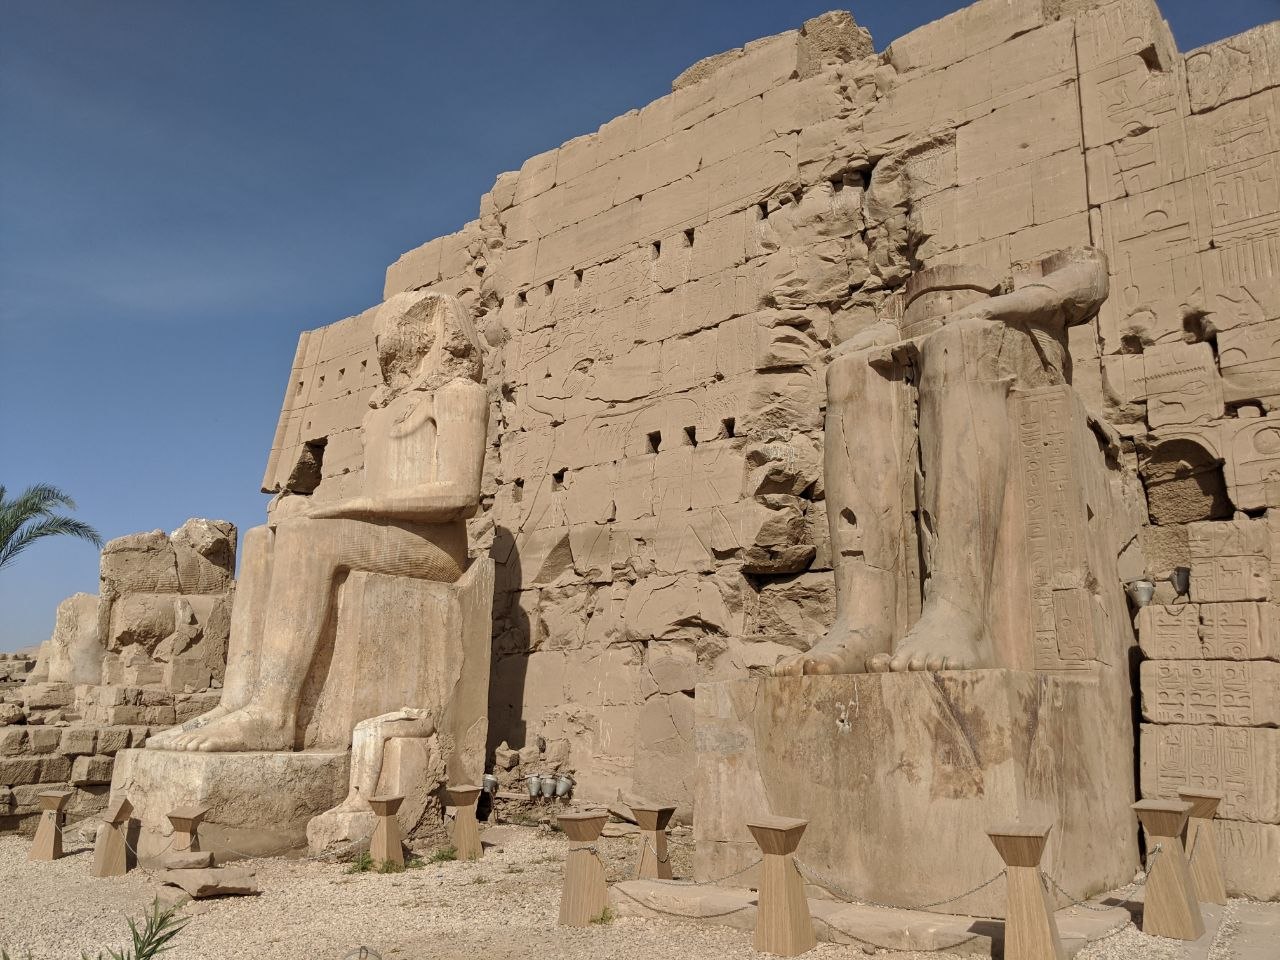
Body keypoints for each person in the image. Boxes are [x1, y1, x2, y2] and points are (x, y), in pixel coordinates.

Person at [149, 291, 488, 751]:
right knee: (260, 539)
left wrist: (346, 508)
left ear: (432, 329)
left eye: (402, 320)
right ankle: (237, 700)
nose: (385, 332)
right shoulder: (381, 411)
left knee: (311, 538)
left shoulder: (458, 395)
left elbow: (459, 493)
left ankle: (274, 713)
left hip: (435, 546)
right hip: (393, 535)